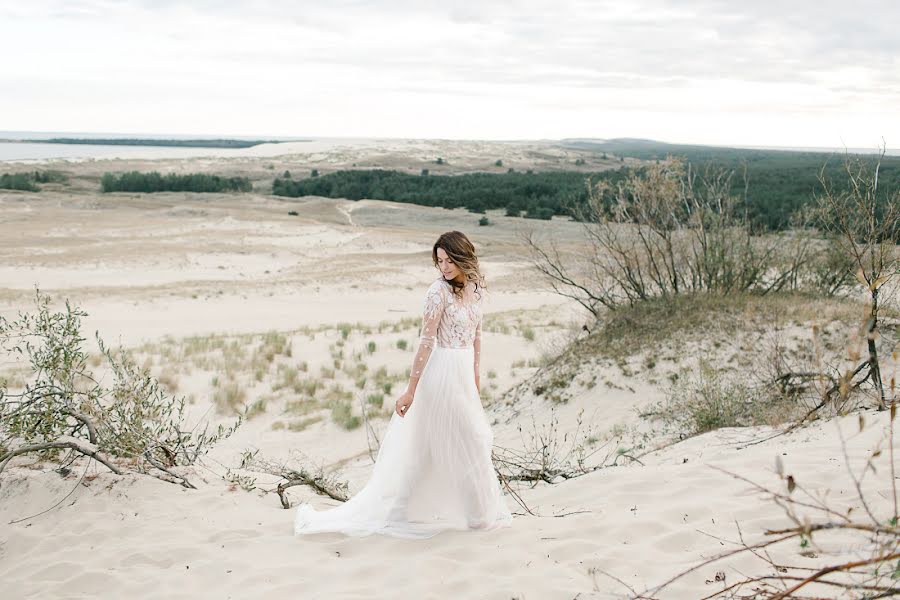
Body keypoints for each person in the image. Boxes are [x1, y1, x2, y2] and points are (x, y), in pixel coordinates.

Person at [294, 231, 513, 538]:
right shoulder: (437, 292)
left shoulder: (476, 290)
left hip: (463, 375)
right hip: (442, 374)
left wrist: (475, 380)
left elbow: (477, 337)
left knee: (438, 447)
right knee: (468, 441)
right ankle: (475, 518)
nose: (445, 267)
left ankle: (408, 511)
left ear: (464, 257)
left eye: (450, 260)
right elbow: (426, 341)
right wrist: (411, 389)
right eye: (439, 261)